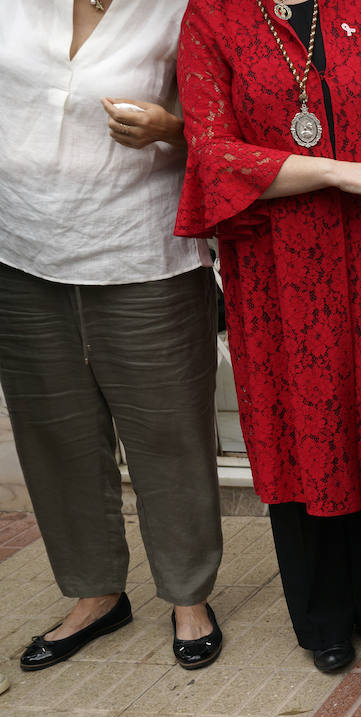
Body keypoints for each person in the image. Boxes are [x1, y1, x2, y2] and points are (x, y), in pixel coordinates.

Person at [176, 0, 361, 673]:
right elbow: (213, 152)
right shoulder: (214, 16)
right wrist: (338, 169)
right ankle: (321, 613)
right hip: (275, 267)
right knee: (298, 424)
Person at [1, 0, 223, 672]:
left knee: (168, 433)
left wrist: (169, 129)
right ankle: (95, 594)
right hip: (20, 248)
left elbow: (226, 131)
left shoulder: (179, 9)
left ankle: (189, 597)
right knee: (54, 433)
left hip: (142, 252)